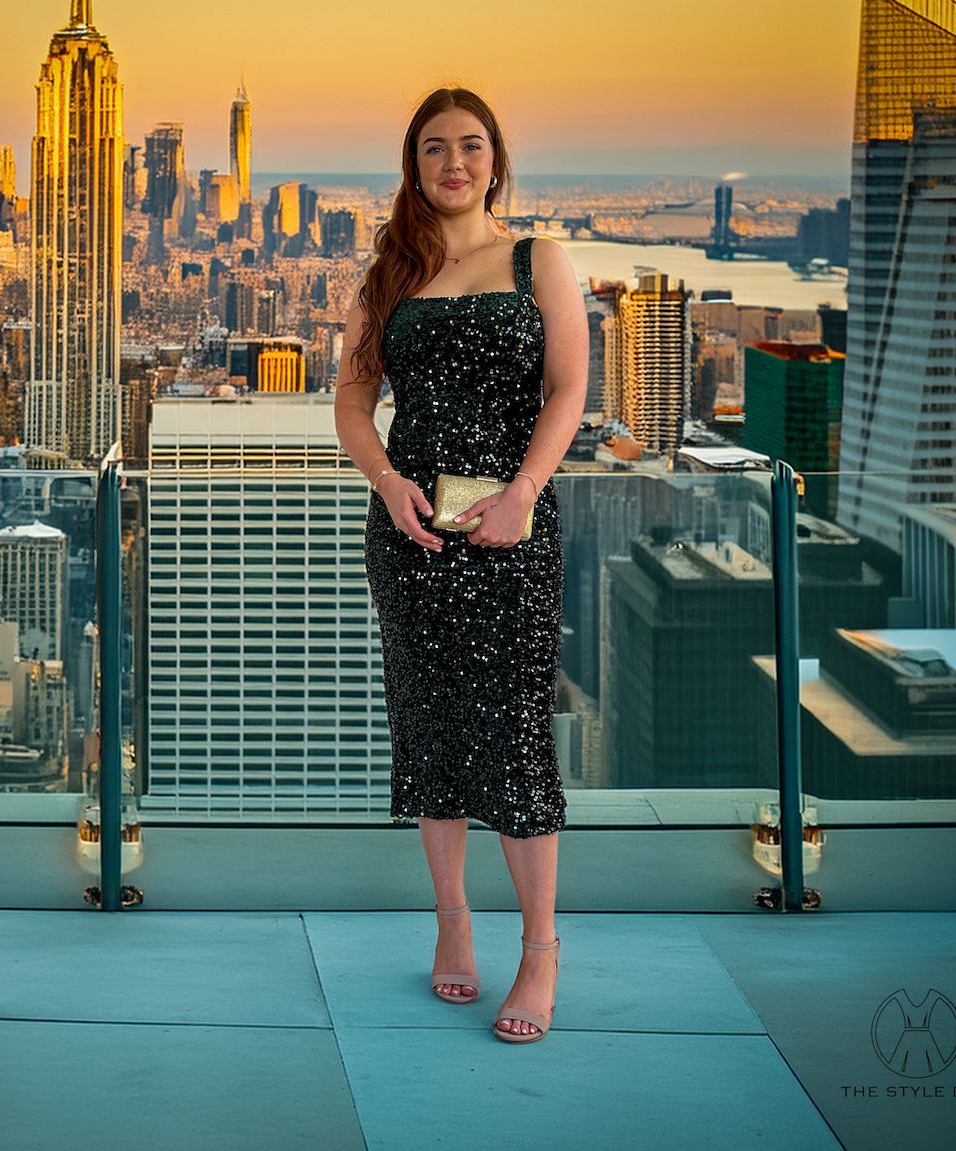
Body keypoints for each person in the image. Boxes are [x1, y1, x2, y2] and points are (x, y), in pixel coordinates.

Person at [334, 87, 587, 1044]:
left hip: (514, 528)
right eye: (434, 148)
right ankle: (452, 923)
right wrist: (390, 483)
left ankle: (539, 950)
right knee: (430, 722)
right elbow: (354, 402)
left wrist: (523, 490)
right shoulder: (389, 274)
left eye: (470, 146)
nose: (453, 163)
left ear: (495, 158)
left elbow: (567, 389)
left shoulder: (538, 260)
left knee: (515, 730)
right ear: (413, 164)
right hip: (412, 530)